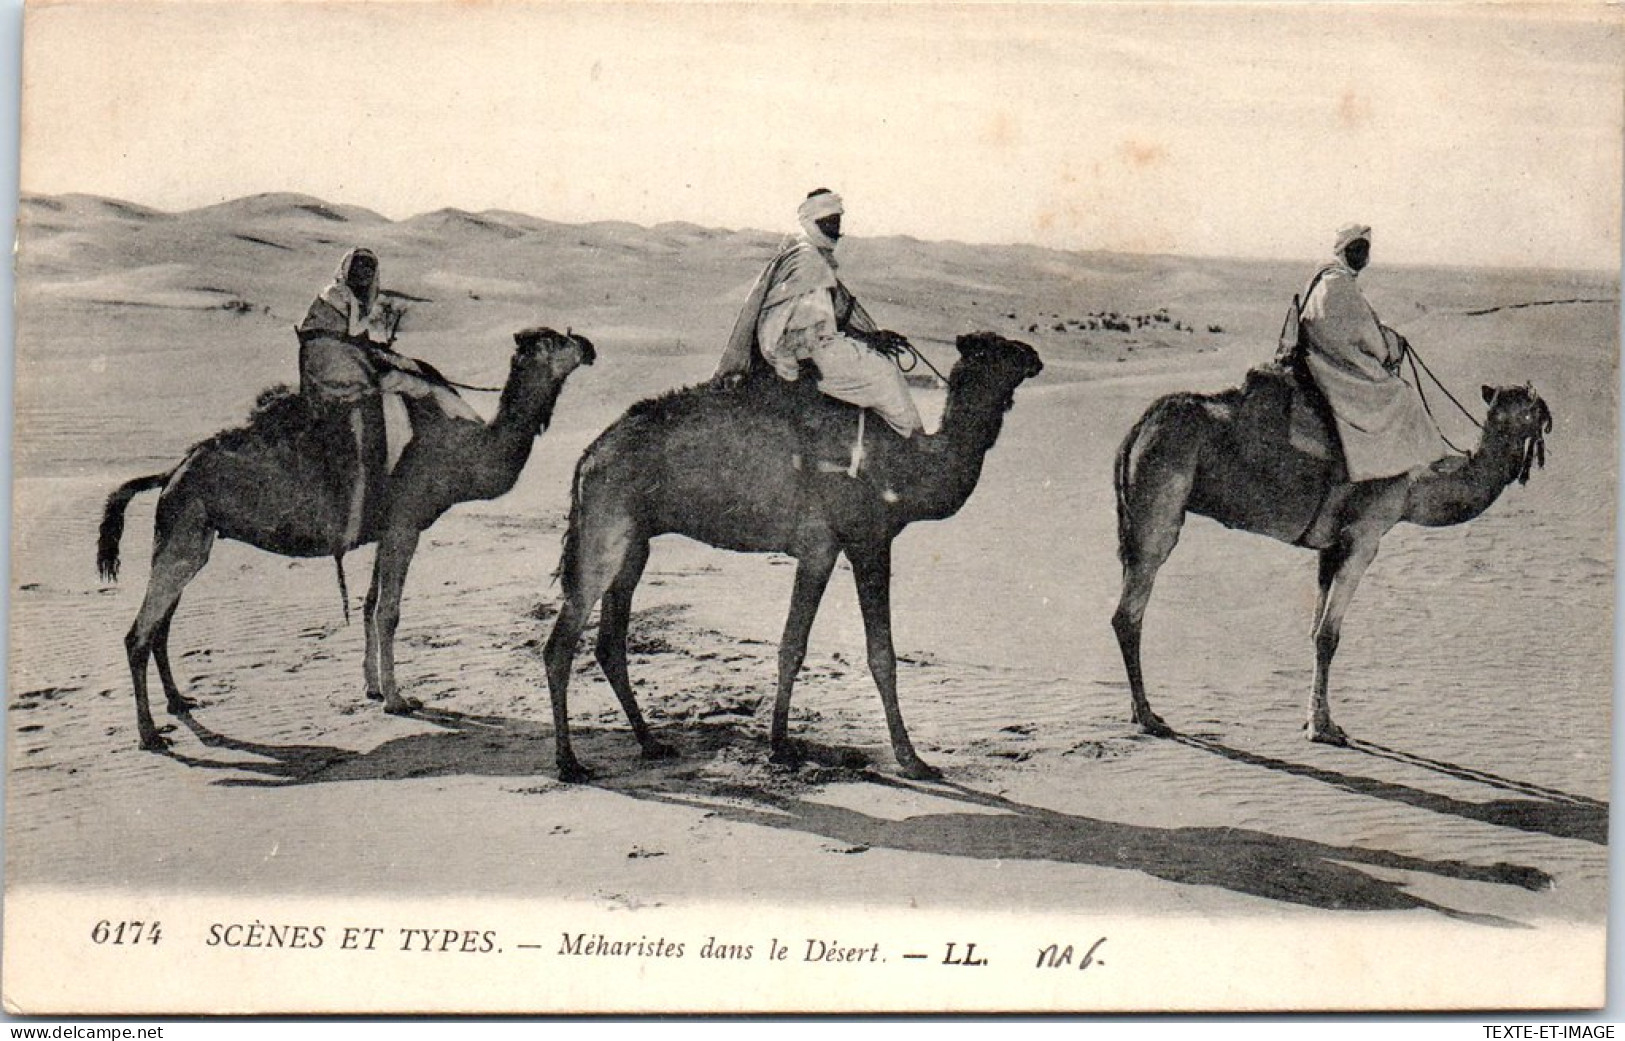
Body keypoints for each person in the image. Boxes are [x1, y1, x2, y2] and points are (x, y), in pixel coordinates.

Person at [712, 189, 926, 443]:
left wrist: (871, 336)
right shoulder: (808, 261)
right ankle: (914, 442)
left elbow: (834, 315)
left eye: (837, 222)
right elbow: (787, 328)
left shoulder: (812, 256)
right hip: (806, 351)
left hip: (819, 345)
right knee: (885, 375)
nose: (836, 230)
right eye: (829, 223)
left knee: (876, 361)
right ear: (813, 222)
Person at [295, 248, 478, 544]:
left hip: (343, 358)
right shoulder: (337, 295)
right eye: (359, 268)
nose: (364, 275)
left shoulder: (346, 299)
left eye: (369, 269)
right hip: (333, 365)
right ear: (347, 269)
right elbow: (346, 335)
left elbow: (354, 336)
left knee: (405, 376)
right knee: (395, 386)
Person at [1297, 224, 1447, 482]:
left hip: (1327, 357)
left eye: (1365, 250)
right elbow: (1366, 333)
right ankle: (1400, 468)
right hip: (1334, 366)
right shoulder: (1339, 283)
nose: (1362, 256)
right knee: (1401, 394)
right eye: (1357, 249)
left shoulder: (1325, 278)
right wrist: (1387, 349)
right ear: (1344, 250)